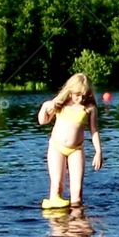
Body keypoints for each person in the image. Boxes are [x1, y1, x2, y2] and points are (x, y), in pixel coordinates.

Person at [37, 73, 104, 209]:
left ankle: (76, 222)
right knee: (57, 186)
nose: (81, 98)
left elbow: (94, 130)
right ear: (71, 90)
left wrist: (98, 151)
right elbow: (43, 121)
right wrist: (45, 107)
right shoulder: (61, 103)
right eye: (78, 94)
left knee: (77, 192)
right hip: (57, 147)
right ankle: (58, 226)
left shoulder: (89, 108)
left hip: (76, 150)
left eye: (84, 95)